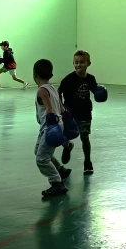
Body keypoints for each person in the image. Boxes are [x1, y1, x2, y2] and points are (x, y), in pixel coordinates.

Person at [33, 58, 72, 198]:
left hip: (51, 127)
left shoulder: (42, 90)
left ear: (34, 74)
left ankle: (57, 183)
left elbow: (49, 108)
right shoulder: (52, 88)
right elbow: (61, 107)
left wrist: (52, 122)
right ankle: (61, 170)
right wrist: (67, 118)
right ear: (51, 75)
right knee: (39, 151)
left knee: (41, 159)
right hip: (53, 126)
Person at [57, 50, 100, 175]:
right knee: (64, 135)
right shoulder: (68, 79)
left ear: (88, 63)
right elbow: (58, 92)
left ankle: (87, 162)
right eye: (76, 62)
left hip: (85, 112)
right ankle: (67, 146)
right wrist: (60, 108)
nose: (78, 65)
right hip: (69, 113)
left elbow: (95, 91)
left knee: (84, 137)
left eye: (82, 62)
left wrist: (99, 93)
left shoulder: (91, 79)